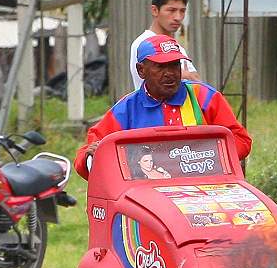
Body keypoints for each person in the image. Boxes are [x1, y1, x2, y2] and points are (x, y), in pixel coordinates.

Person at [75, 35, 251, 179]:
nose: (170, 73)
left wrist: (204, 154)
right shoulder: (125, 110)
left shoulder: (204, 97)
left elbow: (242, 141)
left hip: (205, 195)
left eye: (175, 65)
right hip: (148, 201)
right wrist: (90, 156)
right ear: (141, 70)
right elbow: (86, 157)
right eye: (160, 66)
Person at [129, 0, 200, 91]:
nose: (178, 17)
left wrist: (187, 76)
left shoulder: (176, 47)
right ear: (155, 10)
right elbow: (155, 83)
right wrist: (185, 75)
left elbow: (196, 82)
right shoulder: (143, 43)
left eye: (182, 11)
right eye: (171, 10)